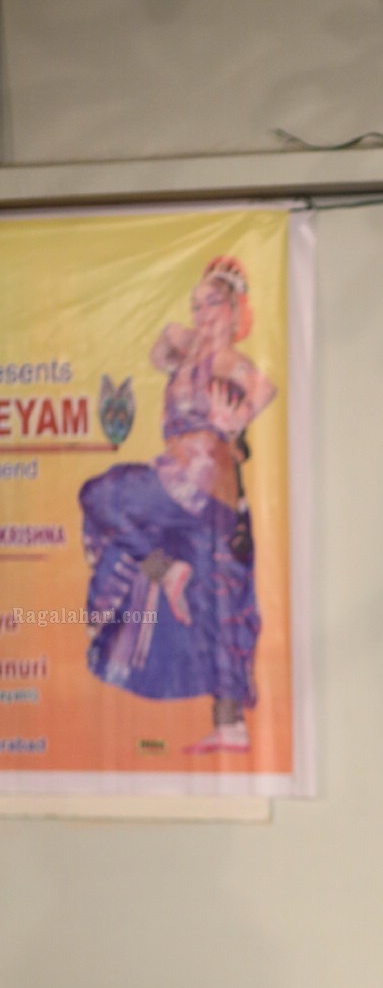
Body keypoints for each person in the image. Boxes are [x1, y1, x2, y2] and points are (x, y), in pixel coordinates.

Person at [79, 255, 276, 753]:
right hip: (211, 501)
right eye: (196, 303)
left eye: (212, 302)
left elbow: (259, 390)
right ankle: (228, 721)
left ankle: (164, 570)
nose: (201, 311)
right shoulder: (193, 352)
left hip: (192, 480)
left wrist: (231, 424)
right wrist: (197, 332)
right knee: (217, 597)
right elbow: (159, 349)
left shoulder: (232, 363)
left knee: (101, 494)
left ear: (234, 311)